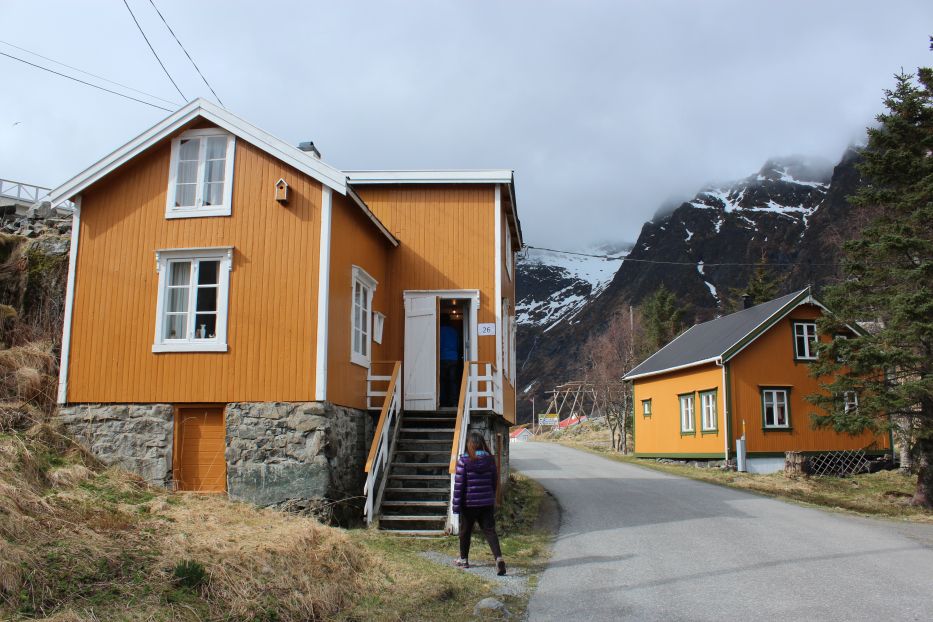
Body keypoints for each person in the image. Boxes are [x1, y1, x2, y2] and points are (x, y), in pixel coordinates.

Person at [452, 431, 506, 575]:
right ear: (483, 443)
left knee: (465, 532)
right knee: (490, 531)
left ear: (469, 445)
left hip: (468, 504)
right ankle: (499, 558)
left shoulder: (464, 461)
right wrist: (491, 496)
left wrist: (456, 507)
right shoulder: (490, 460)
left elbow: (459, 486)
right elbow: (494, 481)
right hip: (486, 503)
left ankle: (463, 559)